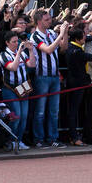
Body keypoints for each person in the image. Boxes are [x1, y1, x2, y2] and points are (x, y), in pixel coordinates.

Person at [29, 13, 64, 147]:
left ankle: (52, 138)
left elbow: (63, 48)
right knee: (40, 111)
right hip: (42, 77)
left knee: (54, 111)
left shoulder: (50, 33)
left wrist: (64, 34)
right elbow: (48, 50)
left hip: (54, 77)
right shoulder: (35, 36)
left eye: (50, 18)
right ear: (39, 22)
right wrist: (60, 34)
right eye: (46, 19)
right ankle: (38, 139)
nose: (50, 21)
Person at [0, 31, 33, 150]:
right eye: (13, 42)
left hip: (23, 87)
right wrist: (18, 52)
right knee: (16, 116)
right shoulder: (3, 55)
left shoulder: (23, 54)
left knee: (23, 116)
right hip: (10, 89)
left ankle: (19, 140)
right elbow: (12, 67)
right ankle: (11, 140)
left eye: (17, 41)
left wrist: (31, 50)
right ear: (7, 43)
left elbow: (32, 65)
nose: (16, 43)